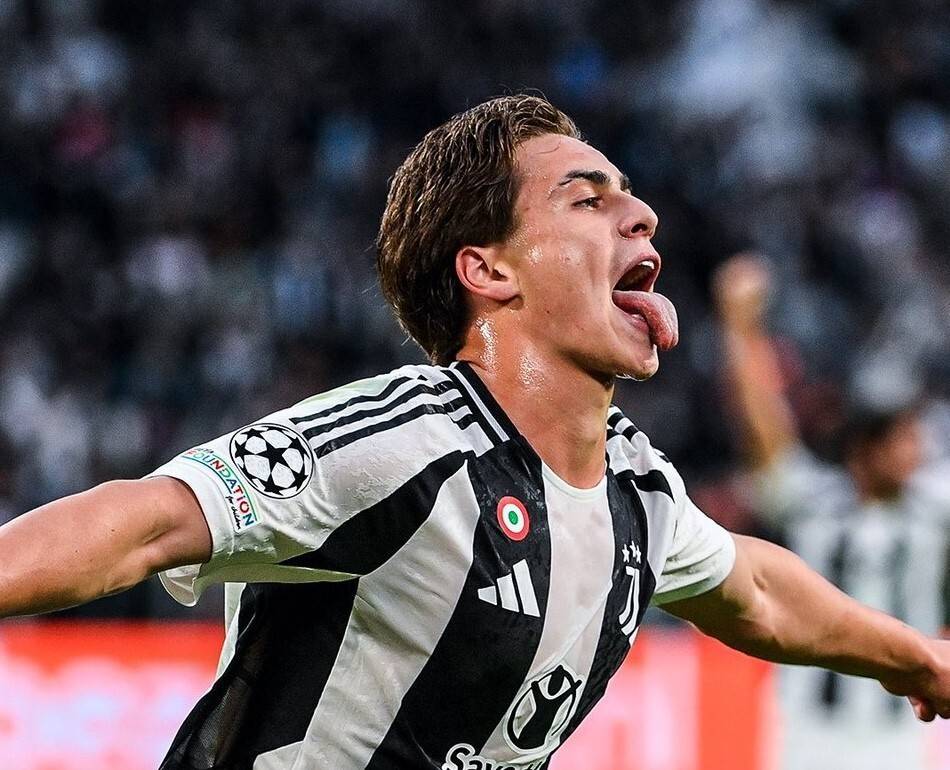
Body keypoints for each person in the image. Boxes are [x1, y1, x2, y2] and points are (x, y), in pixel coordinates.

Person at [2, 95, 950, 770]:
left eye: (627, 195)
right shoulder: (407, 442)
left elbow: (756, 590)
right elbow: (151, 521)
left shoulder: (637, 488)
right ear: (489, 272)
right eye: (587, 199)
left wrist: (916, 656)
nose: (642, 214)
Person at [714, 253, 950, 770]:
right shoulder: (813, 502)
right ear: (865, 449)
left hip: (900, 731)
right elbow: (762, 423)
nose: (916, 451)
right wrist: (739, 325)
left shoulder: (935, 510)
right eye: (903, 439)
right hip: (809, 728)